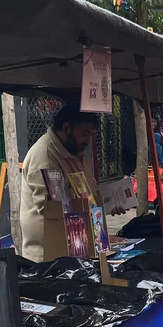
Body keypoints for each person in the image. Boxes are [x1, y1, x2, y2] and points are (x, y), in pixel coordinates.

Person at [20, 104, 125, 262]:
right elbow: (55, 213)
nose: (88, 141)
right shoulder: (46, 157)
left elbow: (89, 194)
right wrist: (94, 238)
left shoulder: (77, 153)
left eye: (91, 135)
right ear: (67, 128)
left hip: (80, 247)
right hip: (51, 258)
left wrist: (110, 205)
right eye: (84, 134)